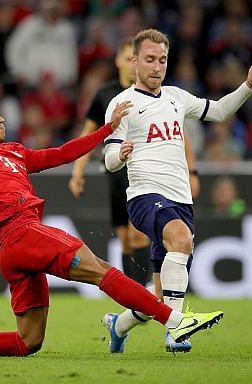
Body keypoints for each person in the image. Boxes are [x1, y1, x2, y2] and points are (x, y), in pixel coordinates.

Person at [0, 97, 223, 359]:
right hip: (18, 232)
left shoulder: (15, 152)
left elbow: (63, 154)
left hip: (15, 247)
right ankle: (174, 320)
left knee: (28, 342)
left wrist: (107, 130)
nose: (1, 118)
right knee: (99, 268)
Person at [102, 29, 252, 354]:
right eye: (150, 59)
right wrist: (118, 155)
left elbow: (220, 111)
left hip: (180, 199)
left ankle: (118, 324)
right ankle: (177, 329)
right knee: (181, 240)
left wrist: (249, 85)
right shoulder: (121, 103)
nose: (156, 66)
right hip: (144, 196)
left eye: (162, 60)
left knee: (161, 294)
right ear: (135, 60)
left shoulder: (176, 97)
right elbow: (108, 158)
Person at [69, 39, 200, 288]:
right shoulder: (107, 96)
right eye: (130, 58)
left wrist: (191, 171)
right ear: (121, 61)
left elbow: (180, 135)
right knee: (125, 239)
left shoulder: (160, 95)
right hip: (117, 173)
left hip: (146, 174)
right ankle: (133, 297)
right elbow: (88, 134)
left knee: (138, 236)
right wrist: (78, 171)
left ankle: (140, 293)